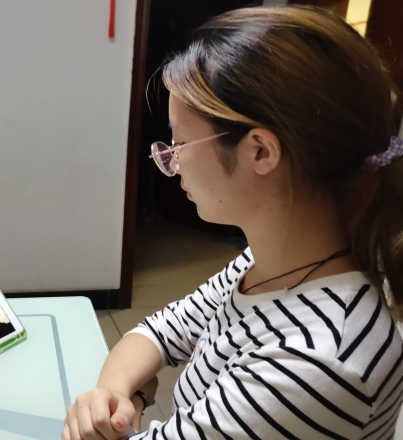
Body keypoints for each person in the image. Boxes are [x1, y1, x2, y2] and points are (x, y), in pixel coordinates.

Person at [62, 5, 403, 440]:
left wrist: (122, 410)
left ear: (260, 151)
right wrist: (114, 394)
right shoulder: (273, 260)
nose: (172, 162)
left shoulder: (315, 361)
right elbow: (161, 330)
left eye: (180, 143)